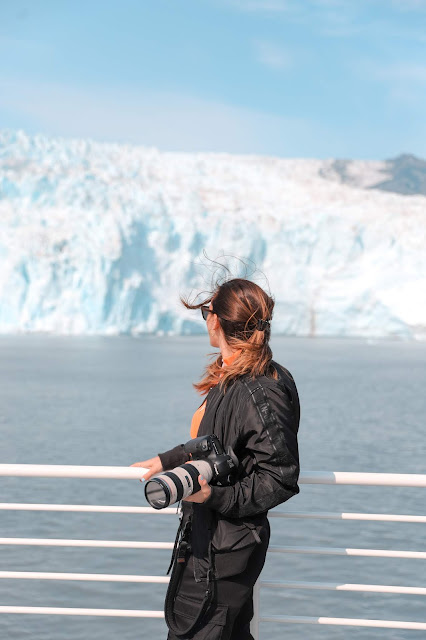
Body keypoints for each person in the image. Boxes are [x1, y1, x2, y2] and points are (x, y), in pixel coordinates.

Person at [131, 277, 300, 639]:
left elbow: (280, 476)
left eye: (207, 311)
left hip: (225, 550)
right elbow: (216, 443)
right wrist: (171, 458)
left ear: (216, 321)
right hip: (213, 541)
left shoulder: (260, 388)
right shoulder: (235, 377)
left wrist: (212, 495)